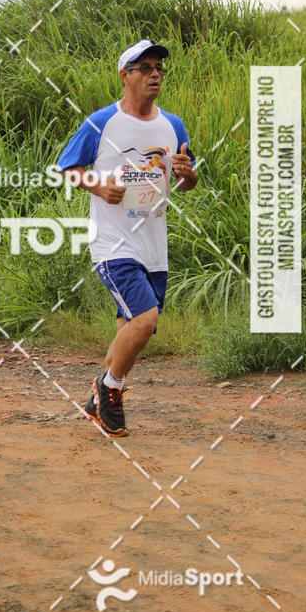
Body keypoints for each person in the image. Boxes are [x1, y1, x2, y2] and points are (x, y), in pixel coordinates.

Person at [57, 40, 198, 436]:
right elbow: (66, 169)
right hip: (113, 242)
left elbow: (189, 180)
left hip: (154, 245)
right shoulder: (101, 122)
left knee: (133, 328)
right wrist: (99, 187)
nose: (155, 73)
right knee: (145, 317)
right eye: (145, 67)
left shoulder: (172, 125)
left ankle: (96, 399)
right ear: (125, 75)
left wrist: (187, 174)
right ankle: (110, 388)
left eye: (159, 68)